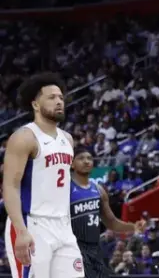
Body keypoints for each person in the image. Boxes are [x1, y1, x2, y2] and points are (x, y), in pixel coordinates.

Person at [2, 73, 85, 278]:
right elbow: (10, 186)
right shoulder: (24, 137)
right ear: (35, 105)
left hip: (63, 225)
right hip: (32, 224)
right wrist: (21, 231)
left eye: (61, 97)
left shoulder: (67, 139)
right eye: (51, 97)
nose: (59, 101)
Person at [70, 147, 135, 278]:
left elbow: (111, 222)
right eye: (81, 158)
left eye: (89, 158)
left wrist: (133, 227)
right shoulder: (65, 188)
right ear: (72, 163)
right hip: (73, 248)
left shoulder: (99, 190)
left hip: (95, 247)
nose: (86, 161)